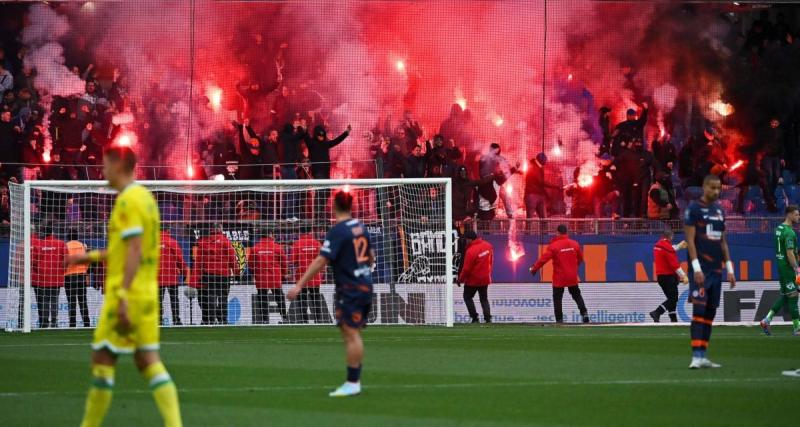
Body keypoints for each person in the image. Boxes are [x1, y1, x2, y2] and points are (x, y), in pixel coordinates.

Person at [66, 146, 182, 427]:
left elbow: (134, 251)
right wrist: (90, 256)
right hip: (146, 294)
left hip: (126, 293)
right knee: (147, 361)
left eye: (105, 165)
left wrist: (121, 297)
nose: (102, 171)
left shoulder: (128, 201)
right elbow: (126, 249)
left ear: (118, 166)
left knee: (102, 358)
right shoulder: (145, 198)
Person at [288, 191, 375, 397]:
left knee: (351, 333)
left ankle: (353, 382)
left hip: (351, 287)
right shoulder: (360, 226)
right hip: (365, 283)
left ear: (334, 206)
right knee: (351, 332)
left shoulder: (338, 231)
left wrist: (299, 284)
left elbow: (321, 260)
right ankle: (354, 380)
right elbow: (371, 256)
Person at [684, 174, 736, 369]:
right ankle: (695, 356)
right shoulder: (694, 209)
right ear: (704, 187)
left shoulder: (720, 211)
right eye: (712, 187)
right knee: (699, 310)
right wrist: (695, 268)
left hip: (716, 271)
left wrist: (729, 268)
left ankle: (703, 354)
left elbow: (723, 241)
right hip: (701, 270)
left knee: (710, 314)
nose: (716, 191)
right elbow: (689, 240)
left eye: (718, 188)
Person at [529, 224, 590, 324]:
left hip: (559, 277)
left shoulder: (554, 246)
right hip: (572, 276)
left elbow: (543, 259)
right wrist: (573, 267)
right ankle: (584, 314)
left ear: (557, 233)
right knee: (577, 295)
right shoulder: (575, 244)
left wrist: (533, 269)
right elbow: (581, 259)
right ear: (566, 232)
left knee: (557, 298)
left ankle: (559, 320)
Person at [760, 205, 800, 336]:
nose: (798, 217)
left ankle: (767, 320)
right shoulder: (789, 232)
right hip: (788, 268)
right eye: (796, 214)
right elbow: (790, 253)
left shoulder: (779, 228)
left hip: (780, 266)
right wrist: (797, 269)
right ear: (789, 215)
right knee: (794, 295)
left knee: (785, 296)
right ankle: (797, 327)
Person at [191, 223, 238, 325]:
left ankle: (211, 320)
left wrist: (194, 280)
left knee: (210, 297)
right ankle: (222, 319)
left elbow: (198, 262)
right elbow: (232, 259)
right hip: (223, 275)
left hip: (209, 274)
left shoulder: (203, 242)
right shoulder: (225, 241)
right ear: (220, 229)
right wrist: (236, 272)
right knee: (223, 298)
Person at [289, 228, 329, 324]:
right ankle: (318, 319)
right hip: (314, 276)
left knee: (302, 299)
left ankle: (304, 320)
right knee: (316, 298)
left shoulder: (297, 244)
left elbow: (292, 261)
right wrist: (323, 271)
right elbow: (322, 259)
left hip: (301, 276)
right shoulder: (316, 243)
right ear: (310, 232)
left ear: (300, 232)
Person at [250, 229, 288, 324]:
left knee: (263, 300)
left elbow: (251, 264)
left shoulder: (255, 248)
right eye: (273, 234)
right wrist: (283, 274)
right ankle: (285, 318)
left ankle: (264, 320)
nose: (274, 236)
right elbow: (283, 263)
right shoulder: (277, 247)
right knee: (280, 299)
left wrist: (255, 274)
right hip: (275, 278)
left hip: (261, 278)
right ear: (270, 234)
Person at [31, 224, 66, 328]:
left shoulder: (39, 244)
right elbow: (67, 259)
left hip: (41, 277)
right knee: (54, 299)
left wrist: (38, 270)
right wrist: (61, 271)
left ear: (43, 233)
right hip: (56, 277)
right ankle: (54, 322)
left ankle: (44, 322)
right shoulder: (61, 243)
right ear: (52, 232)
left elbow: (33, 260)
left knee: (44, 300)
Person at [650, 229, 689, 323]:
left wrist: (678, 247)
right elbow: (674, 265)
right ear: (671, 237)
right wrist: (683, 276)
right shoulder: (667, 248)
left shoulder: (658, 245)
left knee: (671, 299)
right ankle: (657, 312)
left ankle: (673, 319)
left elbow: (668, 249)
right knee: (674, 298)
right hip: (668, 277)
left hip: (661, 277)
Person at [458, 230, 494, 323]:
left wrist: (460, 279)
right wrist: (488, 273)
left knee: (467, 297)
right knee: (484, 299)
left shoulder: (470, 251)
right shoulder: (488, 246)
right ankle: (488, 318)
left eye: (466, 239)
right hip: (485, 278)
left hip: (472, 280)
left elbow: (466, 269)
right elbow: (491, 261)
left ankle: (474, 317)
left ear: (469, 240)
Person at [158, 225, 186, 326]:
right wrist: (185, 272)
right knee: (174, 299)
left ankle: (158, 321)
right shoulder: (172, 241)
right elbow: (179, 258)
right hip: (172, 276)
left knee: (158, 300)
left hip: (157, 277)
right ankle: (176, 320)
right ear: (168, 230)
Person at [65, 231, 91, 328]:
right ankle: (87, 323)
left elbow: (64, 261)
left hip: (69, 277)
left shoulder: (66, 246)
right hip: (81, 276)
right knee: (83, 301)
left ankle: (72, 324)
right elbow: (87, 260)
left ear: (68, 237)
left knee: (71, 302)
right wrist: (85, 270)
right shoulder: (82, 246)